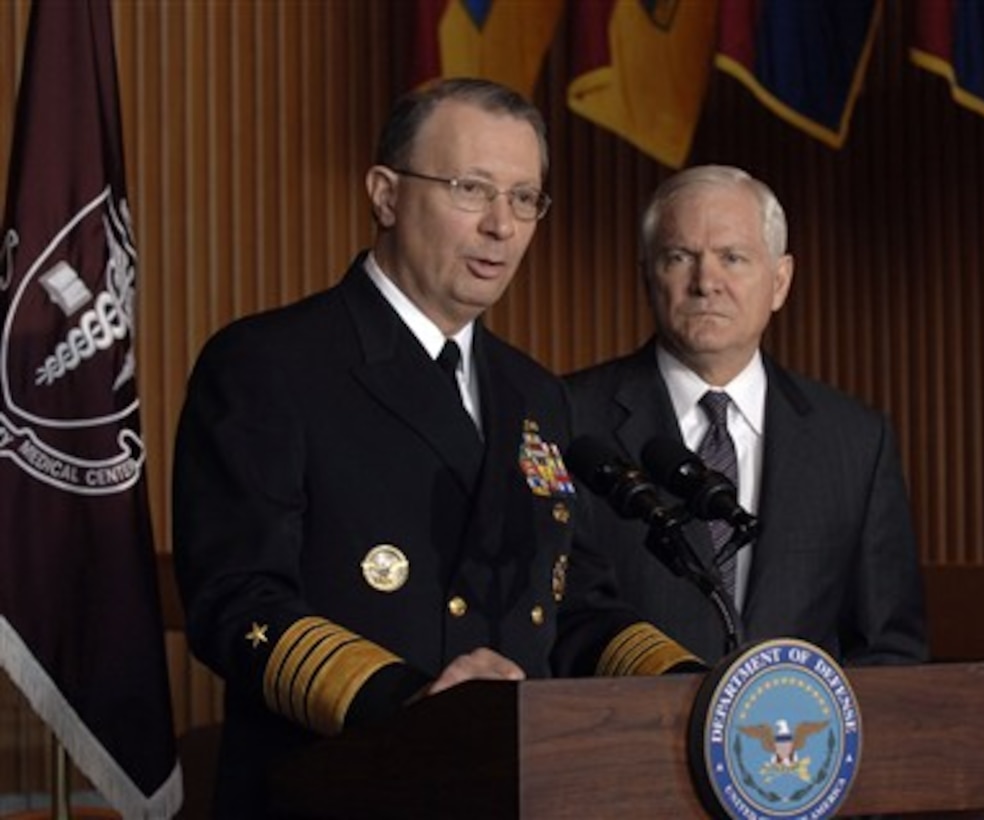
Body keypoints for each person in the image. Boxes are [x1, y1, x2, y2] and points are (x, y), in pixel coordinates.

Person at [172, 78, 700, 817]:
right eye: (470, 189)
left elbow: (572, 603)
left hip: (512, 792)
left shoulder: (535, 393)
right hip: (338, 790)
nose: (501, 226)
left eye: (525, 199)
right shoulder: (270, 364)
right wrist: (408, 700)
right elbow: (237, 600)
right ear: (385, 195)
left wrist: (695, 685)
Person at [566, 164, 928, 668]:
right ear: (646, 274)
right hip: (622, 736)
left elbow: (888, 648)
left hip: (797, 742)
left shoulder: (855, 441)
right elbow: (560, 619)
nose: (706, 282)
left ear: (780, 282)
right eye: (679, 257)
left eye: (732, 258)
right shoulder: (569, 418)